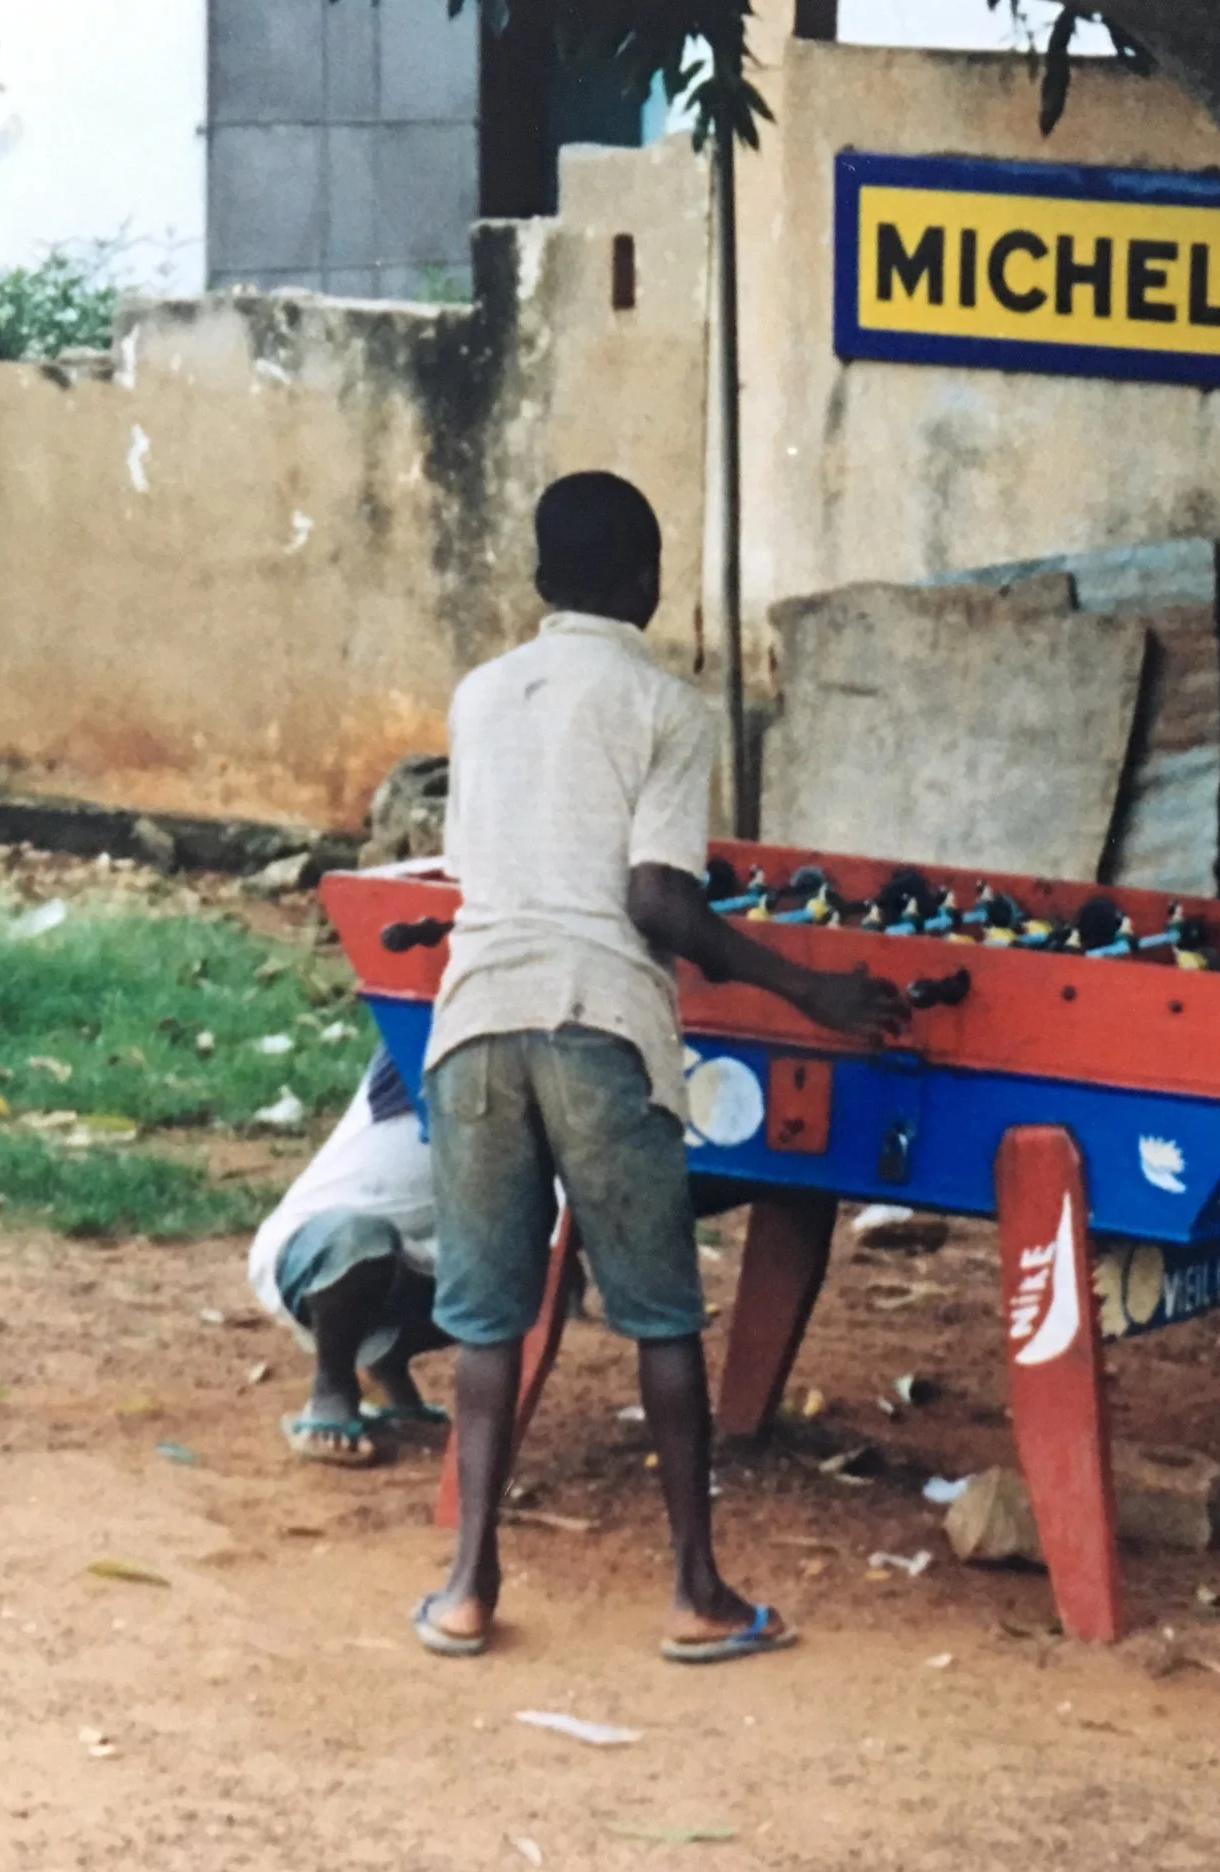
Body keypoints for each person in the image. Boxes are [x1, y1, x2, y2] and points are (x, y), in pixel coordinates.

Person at [413, 470, 906, 1663]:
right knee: (660, 1317)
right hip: (600, 1029)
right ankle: (695, 1594)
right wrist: (808, 987)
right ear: (646, 581)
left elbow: (480, 863)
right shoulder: (665, 709)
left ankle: (468, 1586)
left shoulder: (479, 696)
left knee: (491, 1323)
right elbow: (656, 901)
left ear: (540, 580)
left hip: (472, 1022)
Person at [249, 1046, 451, 1466]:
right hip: (309, 1252)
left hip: (417, 1255)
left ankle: (389, 1366)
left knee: (522, 1264)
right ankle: (333, 1388)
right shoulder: (417, 1044)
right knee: (362, 1239)